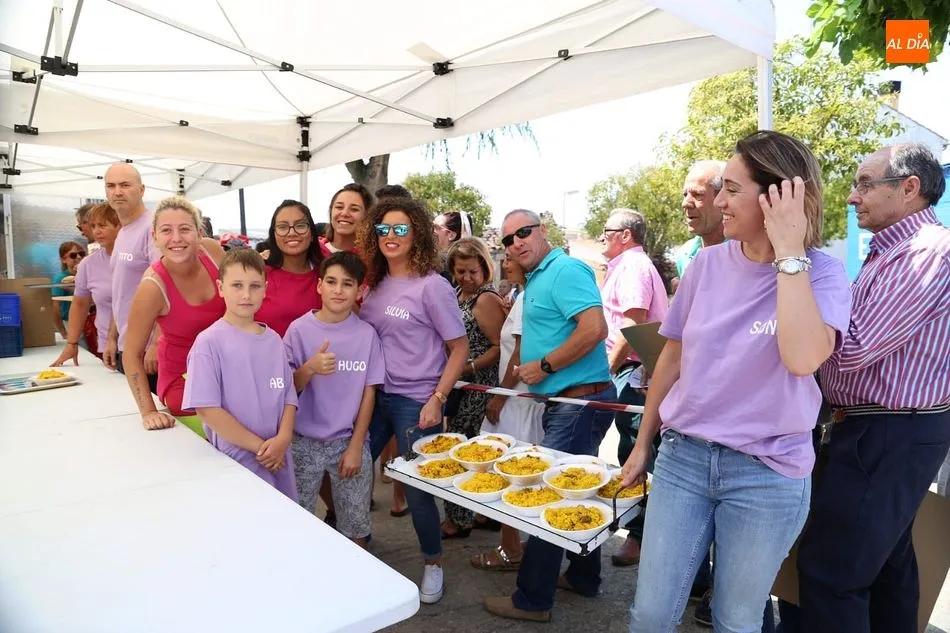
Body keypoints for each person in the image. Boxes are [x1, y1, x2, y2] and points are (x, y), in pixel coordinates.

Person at [620, 130, 851, 633]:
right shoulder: (706, 264)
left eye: (730, 189)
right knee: (651, 616)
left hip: (767, 473)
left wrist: (790, 252)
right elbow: (671, 356)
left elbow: (803, 358)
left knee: (735, 621)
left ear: (778, 196)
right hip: (685, 458)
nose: (718, 203)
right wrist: (642, 442)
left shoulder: (825, 275)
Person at [798, 142, 950, 633]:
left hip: (888, 432)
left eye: (865, 184)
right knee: (886, 565)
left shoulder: (925, 252)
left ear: (909, 189)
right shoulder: (893, 250)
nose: (851, 197)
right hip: (884, 430)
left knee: (832, 575)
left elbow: (854, 348)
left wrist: (794, 317)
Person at [483, 209, 616, 623]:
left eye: (523, 232)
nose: (515, 243)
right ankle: (583, 576)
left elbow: (595, 328)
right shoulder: (539, 276)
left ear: (542, 231)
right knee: (579, 492)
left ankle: (533, 600)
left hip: (577, 404)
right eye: (507, 239)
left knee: (549, 499)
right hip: (569, 404)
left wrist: (547, 367)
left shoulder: (565, 269)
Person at [358, 196, 469, 604]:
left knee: (418, 487)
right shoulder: (373, 283)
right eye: (383, 229)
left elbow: (459, 348)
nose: (391, 236)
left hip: (415, 400)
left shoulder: (432, 286)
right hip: (374, 396)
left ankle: (433, 562)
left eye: (400, 229)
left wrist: (438, 398)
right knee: (350, 471)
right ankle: (358, 544)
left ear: (417, 233)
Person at [284, 251, 384, 547]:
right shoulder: (298, 330)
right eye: (331, 282)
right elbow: (286, 389)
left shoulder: (367, 335)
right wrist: (309, 368)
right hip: (302, 440)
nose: (338, 290)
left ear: (359, 290)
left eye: (347, 284)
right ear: (319, 286)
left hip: (347, 441)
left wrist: (356, 446)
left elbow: (369, 393)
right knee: (294, 519)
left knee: (355, 526)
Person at [182, 248, 297, 499]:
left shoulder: (275, 341)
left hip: (279, 455)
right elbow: (207, 409)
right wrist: (262, 449)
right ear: (220, 288)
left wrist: (284, 438)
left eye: (255, 286)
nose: (246, 295)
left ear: (265, 289)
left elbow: (289, 396)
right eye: (236, 285)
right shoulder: (208, 343)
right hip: (239, 459)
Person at [596, 209, 669, 569]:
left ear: (625, 235)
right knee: (634, 452)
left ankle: (643, 537)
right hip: (632, 368)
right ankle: (643, 534)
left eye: (605, 231)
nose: (600, 238)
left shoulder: (633, 267)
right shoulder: (626, 266)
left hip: (633, 370)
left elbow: (633, 321)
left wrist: (606, 371)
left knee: (639, 454)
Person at [123, 196, 226, 429]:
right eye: (166, 230)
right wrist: (148, 411)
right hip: (185, 379)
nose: (176, 239)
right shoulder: (152, 286)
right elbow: (131, 353)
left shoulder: (212, 252)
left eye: (185, 229)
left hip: (228, 370)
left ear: (199, 233)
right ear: (154, 236)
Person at [475, 252, 545, 572]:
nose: (504, 263)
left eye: (510, 258)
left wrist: (500, 396)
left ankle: (511, 548)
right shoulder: (521, 297)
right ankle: (517, 546)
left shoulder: (528, 296)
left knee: (509, 473)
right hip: (521, 399)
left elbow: (519, 351)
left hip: (515, 400)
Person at [440, 237, 506, 539]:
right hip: (459, 383)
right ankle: (474, 511)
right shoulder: (455, 293)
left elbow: (498, 346)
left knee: (466, 451)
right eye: (460, 271)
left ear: (484, 269)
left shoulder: (485, 299)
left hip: (478, 385)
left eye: (472, 272)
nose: (466, 277)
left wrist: (467, 368)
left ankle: (460, 519)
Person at [102, 163, 160, 391]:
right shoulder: (124, 232)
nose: (117, 191)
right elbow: (122, 292)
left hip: (150, 352)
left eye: (125, 185)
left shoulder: (152, 228)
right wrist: (112, 338)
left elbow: (168, 288)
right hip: (129, 348)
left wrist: (157, 342)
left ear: (141, 190)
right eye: (111, 186)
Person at [51, 204, 119, 366]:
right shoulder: (88, 264)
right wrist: (71, 343)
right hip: (107, 346)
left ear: (120, 225)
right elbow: (80, 303)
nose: (96, 231)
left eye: (102, 225)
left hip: (142, 343)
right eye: (93, 226)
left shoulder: (136, 259)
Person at [254, 200, 324, 337]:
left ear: (311, 234)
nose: (291, 233)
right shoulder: (258, 274)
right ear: (274, 235)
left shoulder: (326, 275)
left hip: (320, 356)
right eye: (282, 227)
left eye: (300, 225)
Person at [672, 160, 728, 292]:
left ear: (722, 198)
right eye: (685, 195)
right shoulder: (684, 254)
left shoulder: (748, 250)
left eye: (697, 194)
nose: (685, 203)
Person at [321, 184, 374, 255]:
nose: (345, 213)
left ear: (366, 216)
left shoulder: (371, 258)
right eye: (339, 207)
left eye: (354, 209)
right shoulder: (313, 252)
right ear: (331, 211)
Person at [51, 241, 86, 340]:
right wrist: (63, 332)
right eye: (73, 255)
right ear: (63, 259)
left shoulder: (86, 275)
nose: (78, 257)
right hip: (70, 323)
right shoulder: (61, 279)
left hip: (88, 322)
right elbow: (54, 307)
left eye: (82, 254)